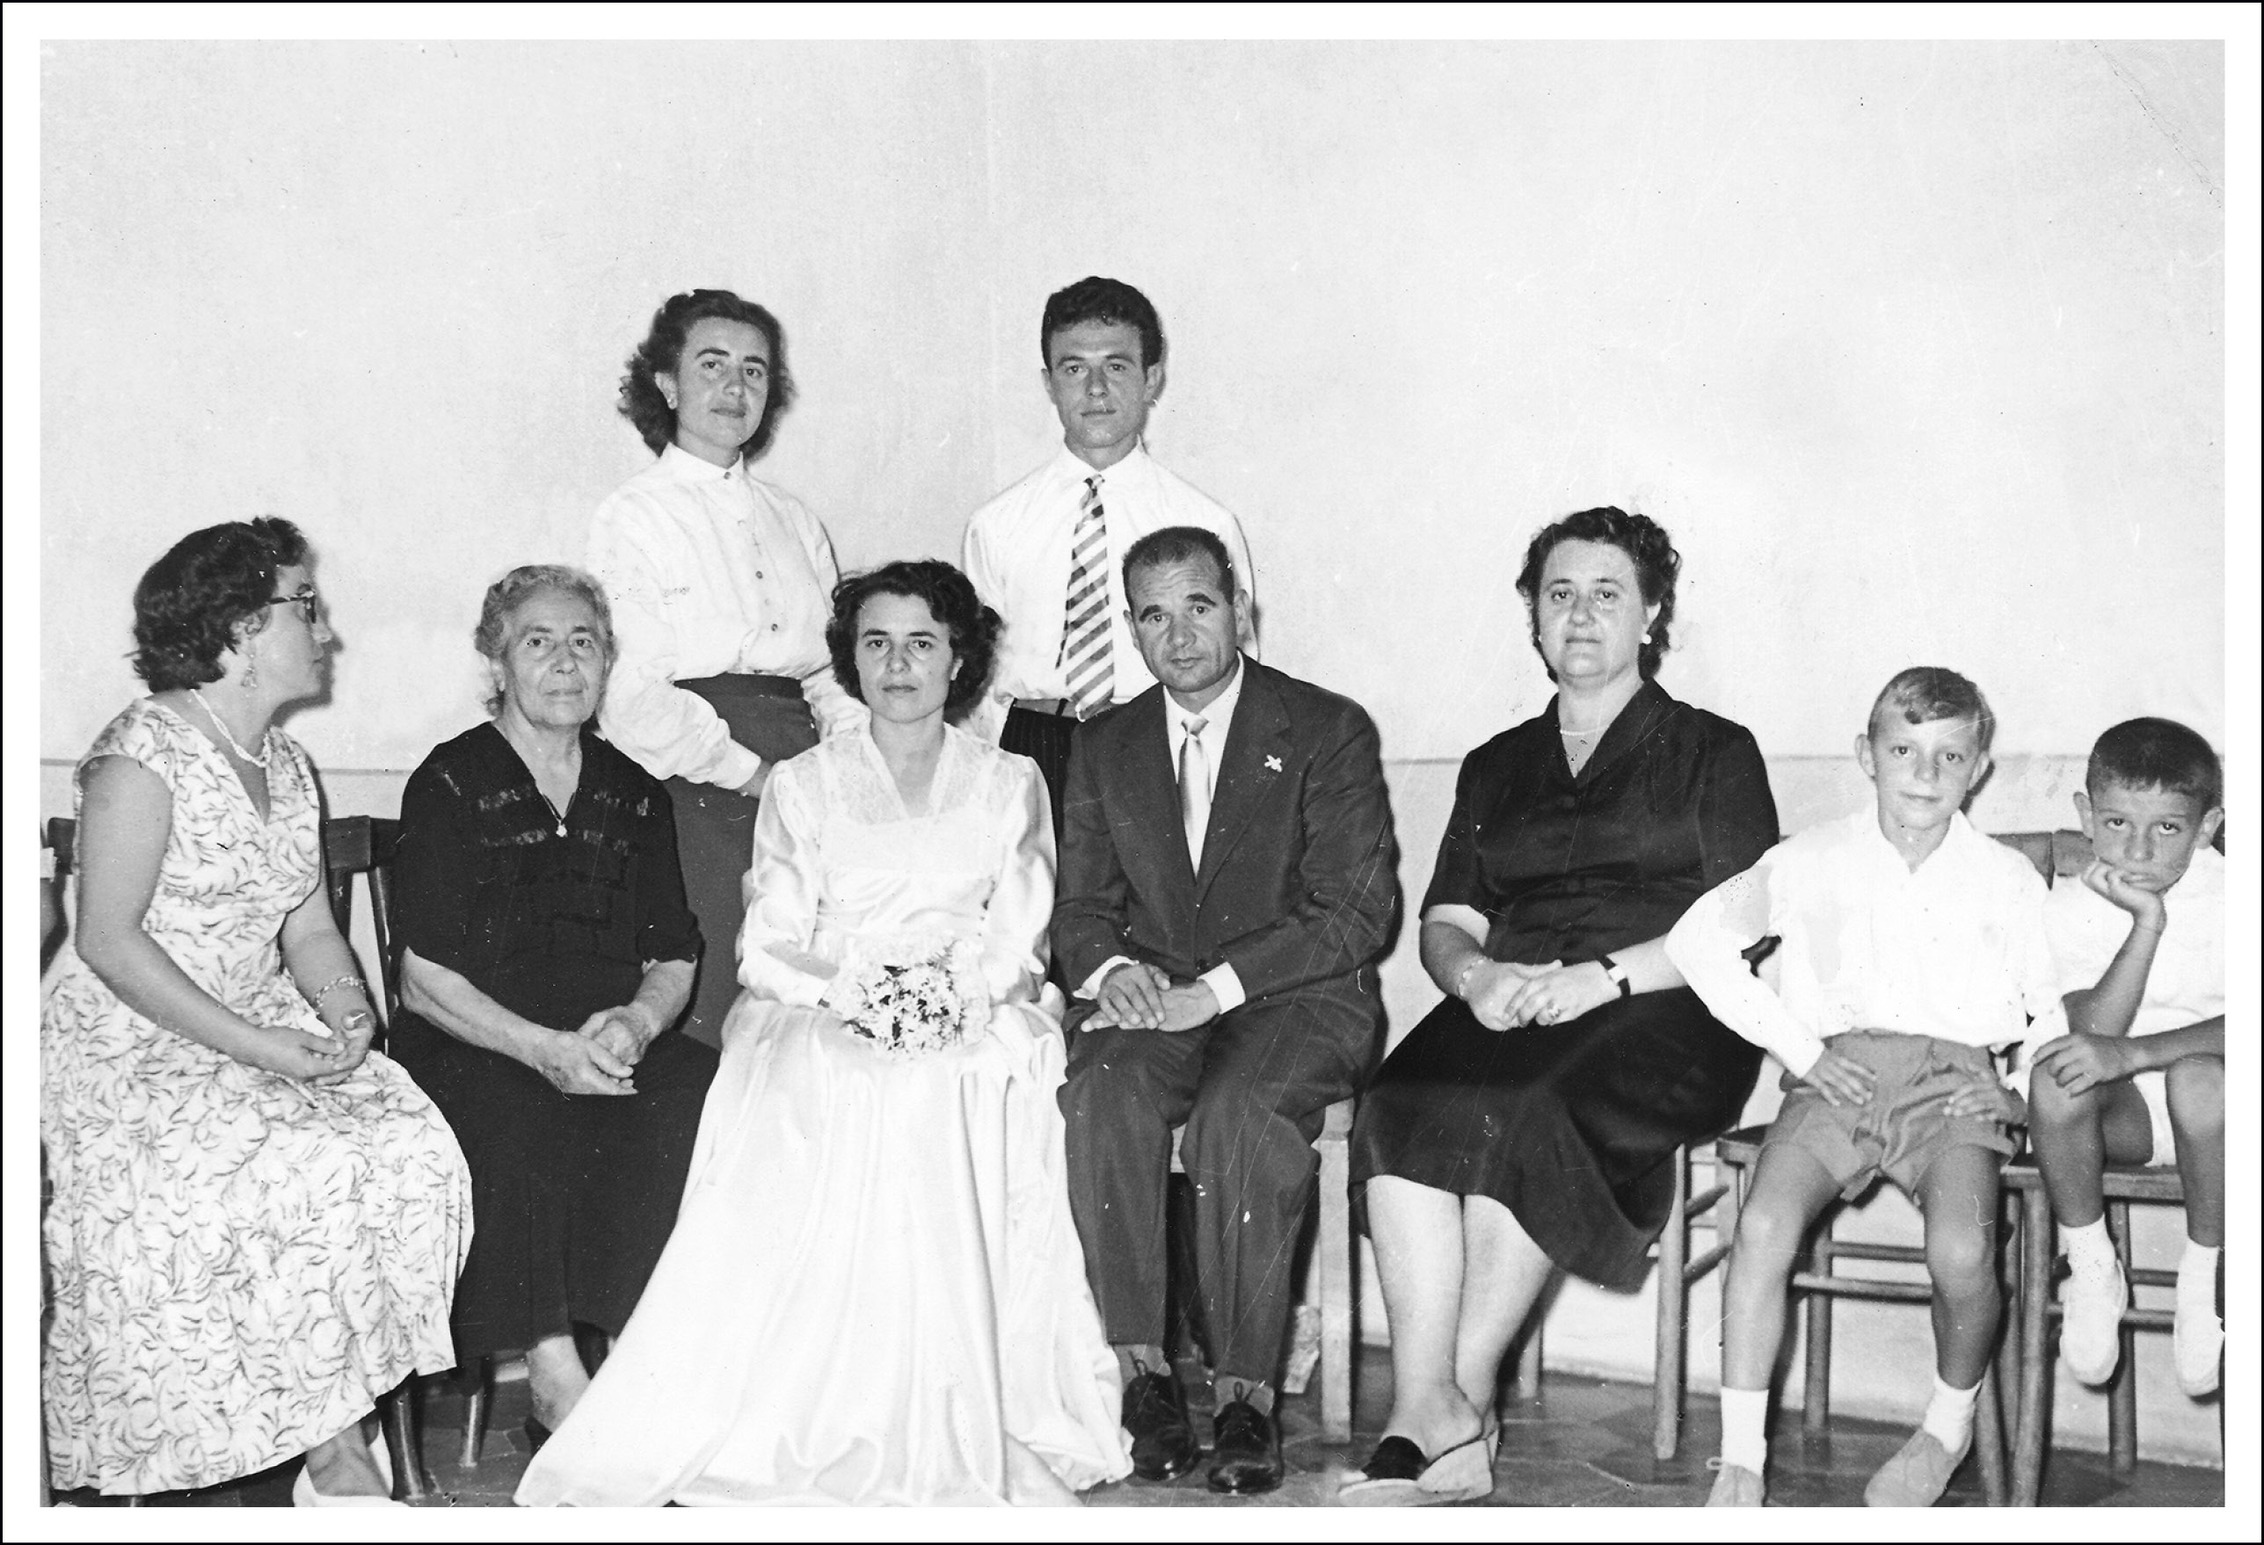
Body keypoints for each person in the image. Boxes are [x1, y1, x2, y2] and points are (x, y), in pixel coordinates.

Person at [516, 560, 1130, 1506]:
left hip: (975, 1006)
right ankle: (827, 1402)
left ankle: (963, 1400)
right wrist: (865, 994)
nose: (897, 665)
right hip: (824, 1006)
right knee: (851, 1078)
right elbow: (768, 945)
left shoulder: (1012, 780)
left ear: (958, 658)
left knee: (961, 1075)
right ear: (849, 658)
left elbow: (1020, 940)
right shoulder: (803, 782)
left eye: (921, 643)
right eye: (875, 643)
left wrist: (943, 999)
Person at [1342, 507, 1777, 1506]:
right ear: (1532, 616)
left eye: (1605, 594)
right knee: (1397, 1100)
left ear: (1650, 614)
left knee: (1529, 1108)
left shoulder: (1713, 751)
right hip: (1518, 997)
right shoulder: (1497, 763)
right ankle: (1425, 1409)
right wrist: (1472, 979)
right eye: (1558, 594)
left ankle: (1462, 1393)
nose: (1578, 616)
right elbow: (1449, 922)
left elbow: (1745, 926)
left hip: (1667, 1005)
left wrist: (1606, 977)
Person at [41, 520, 471, 1505]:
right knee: (281, 1167)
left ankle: (335, 1419)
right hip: (128, 1041)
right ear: (237, 629)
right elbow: (108, 939)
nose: (325, 629)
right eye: (303, 606)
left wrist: (344, 1000)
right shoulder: (140, 757)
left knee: (399, 1144)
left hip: (253, 1022)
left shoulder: (284, 764)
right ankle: (329, 1448)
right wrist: (259, 1048)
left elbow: (310, 925)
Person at [1667, 667, 2066, 1508]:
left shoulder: (2006, 878)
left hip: (1954, 1082)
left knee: (1961, 1249)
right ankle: (1741, 1458)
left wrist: (2019, 1088)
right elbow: (1698, 939)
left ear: (1979, 767)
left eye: (1949, 754)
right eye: (1903, 750)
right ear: (1866, 755)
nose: (1925, 773)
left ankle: (1944, 1426)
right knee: (1765, 1220)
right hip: (1836, 1074)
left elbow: (2052, 1009)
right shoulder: (1811, 858)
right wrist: (1800, 1049)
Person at [1054, 525, 1397, 1496]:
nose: (1177, 634)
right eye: (1152, 615)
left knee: (1239, 1116)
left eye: (1196, 606)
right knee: (1100, 1092)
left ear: (1238, 609)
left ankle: (1245, 1398)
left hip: (1297, 999)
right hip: (1155, 994)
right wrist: (1111, 965)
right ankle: (1145, 1378)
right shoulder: (1105, 743)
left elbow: (1352, 914)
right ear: (1131, 629)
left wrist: (1217, 988)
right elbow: (1079, 908)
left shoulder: (1325, 728)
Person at [388, 565, 713, 1444]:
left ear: (608, 662)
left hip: (606, 1035)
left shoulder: (635, 789)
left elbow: (674, 949)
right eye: (539, 640)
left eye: (585, 641)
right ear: (496, 662)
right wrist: (542, 1049)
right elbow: (422, 977)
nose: (565, 661)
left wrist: (636, 1023)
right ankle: (554, 1370)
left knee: (706, 1095)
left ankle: (659, 1354)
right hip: (477, 1036)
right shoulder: (450, 782)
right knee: (521, 1117)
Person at [588, 287, 864, 1047]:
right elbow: (630, 696)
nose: (735, 388)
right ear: (667, 384)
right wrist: (752, 774)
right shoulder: (632, 515)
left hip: (808, 779)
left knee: (817, 999)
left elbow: (834, 672)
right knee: (718, 1005)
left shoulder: (794, 518)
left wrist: (841, 767)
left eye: (754, 371)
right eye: (712, 366)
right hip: (692, 792)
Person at [962, 276, 1256, 832]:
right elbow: (976, 682)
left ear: (1152, 380)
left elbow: (1238, 673)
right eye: (1074, 368)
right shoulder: (996, 525)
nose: (1095, 388)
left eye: (1116, 366)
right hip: (1031, 746)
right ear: (1049, 383)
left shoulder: (1205, 522)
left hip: (1156, 740)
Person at [2028, 718, 2225, 1397]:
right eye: (2116, 822)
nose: (2137, 848)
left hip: (2225, 1117)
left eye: (2168, 828)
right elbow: (2088, 1030)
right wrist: (2145, 923)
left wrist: (2135, 1050)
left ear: (2206, 827)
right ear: (2085, 815)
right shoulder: (2072, 905)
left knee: (2202, 1078)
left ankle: (2206, 1278)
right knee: (2056, 1078)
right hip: (2128, 1118)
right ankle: (2091, 1263)